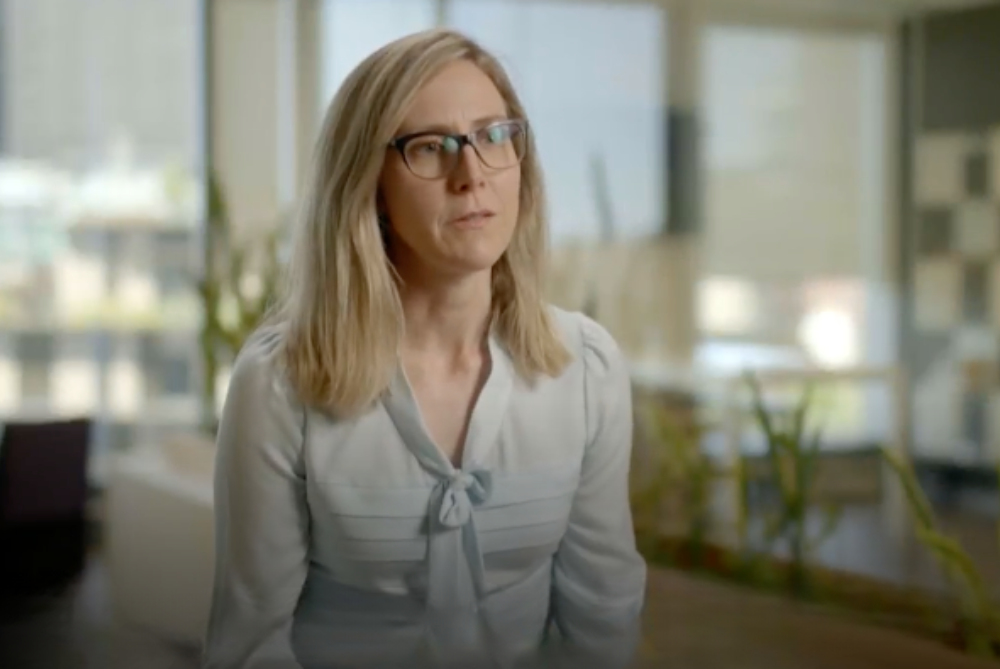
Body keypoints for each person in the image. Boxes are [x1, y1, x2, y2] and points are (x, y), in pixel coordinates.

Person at [202, 27, 646, 669]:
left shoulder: (585, 366)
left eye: (494, 136)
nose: (471, 175)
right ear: (370, 186)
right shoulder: (280, 380)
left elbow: (602, 618)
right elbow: (250, 643)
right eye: (430, 148)